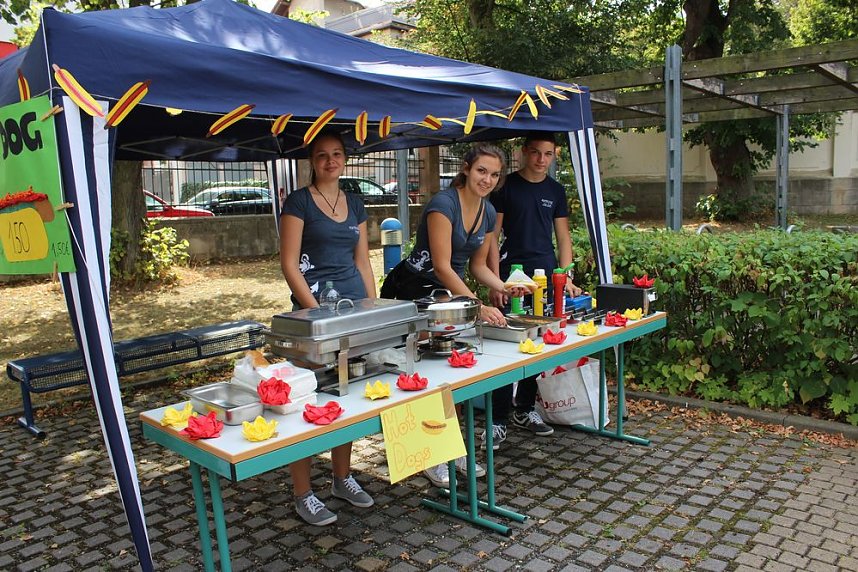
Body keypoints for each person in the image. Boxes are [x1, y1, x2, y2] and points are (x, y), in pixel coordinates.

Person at [380, 143, 526, 487]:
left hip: (450, 296)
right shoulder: (442, 205)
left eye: (494, 174)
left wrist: (502, 286)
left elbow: (477, 265)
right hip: (413, 290)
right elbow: (443, 266)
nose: (487, 179)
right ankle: (430, 454)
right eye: (481, 171)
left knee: (451, 375)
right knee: (423, 376)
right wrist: (476, 305)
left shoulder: (488, 212)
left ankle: (452, 446)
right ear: (465, 169)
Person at [279, 129, 376, 526]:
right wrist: (316, 314)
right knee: (306, 402)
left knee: (345, 397)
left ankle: (341, 477)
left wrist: (372, 309)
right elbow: (288, 264)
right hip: (312, 315)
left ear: (345, 159)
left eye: (337, 154)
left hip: (352, 311)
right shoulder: (299, 202)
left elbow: (364, 261)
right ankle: (303, 493)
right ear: (311, 160)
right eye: (322, 155)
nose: (330, 161)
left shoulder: (355, 203)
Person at [485, 131, 583, 450]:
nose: (541, 160)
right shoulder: (505, 186)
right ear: (524, 153)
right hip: (512, 276)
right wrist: (495, 280)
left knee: (538, 344)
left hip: (545, 277)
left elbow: (564, 239)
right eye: (536, 153)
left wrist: (564, 276)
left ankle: (524, 410)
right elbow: (492, 237)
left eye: (548, 154)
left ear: (554, 156)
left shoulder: (556, 190)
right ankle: (497, 421)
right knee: (505, 350)